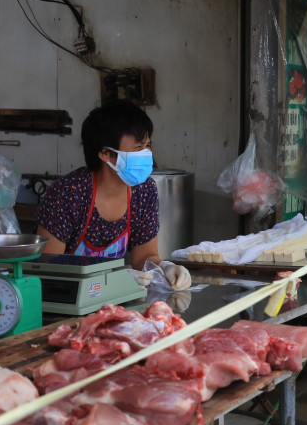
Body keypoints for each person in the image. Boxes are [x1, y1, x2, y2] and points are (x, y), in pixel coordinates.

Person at [36, 100, 192, 290]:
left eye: (148, 146)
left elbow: (144, 257)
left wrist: (164, 268)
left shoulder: (144, 191)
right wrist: (107, 278)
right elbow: (48, 266)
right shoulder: (69, 193)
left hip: (113, 302)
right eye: (138, 149)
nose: (146, 154)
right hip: (67, 298)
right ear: (106, 153)